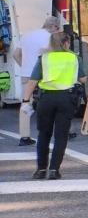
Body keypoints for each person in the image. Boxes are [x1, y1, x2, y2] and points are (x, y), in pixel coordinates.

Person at [24, 33, 83, 179]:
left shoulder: (44, 58)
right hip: (66, 98)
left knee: (44, 134)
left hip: (46, 99)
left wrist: (25, 101)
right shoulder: (74, 58)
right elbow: (82, 78)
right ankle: (54, 170)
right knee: (61, 136)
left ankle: (41, 170)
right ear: (66, 42)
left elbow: (32, 82)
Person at [13, 16, 60, 147]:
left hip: (26, 74)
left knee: (26, 103)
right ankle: (57, 131)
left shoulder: (27, 36)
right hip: (43, 74)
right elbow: (51, 55)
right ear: (54, 27)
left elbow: (16, 54)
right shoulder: (49, 38)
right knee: (54, 101)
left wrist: (24, 65)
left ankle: (24, 136)